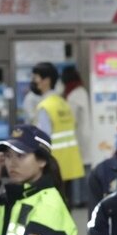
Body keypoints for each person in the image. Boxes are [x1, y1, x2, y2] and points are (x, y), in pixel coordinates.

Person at [0, 125, 77, 235]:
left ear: (42, 161)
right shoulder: (11, 197)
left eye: (20, 156)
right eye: (8, 156)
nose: (12, 163)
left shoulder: (48, 204)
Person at [29, 61, 86, 190]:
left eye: (35, 77)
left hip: (52, 164)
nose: (33, 81)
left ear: (46, 80)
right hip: (69, 161)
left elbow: (43, 138)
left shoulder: (45, 106)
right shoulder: (63, 102)